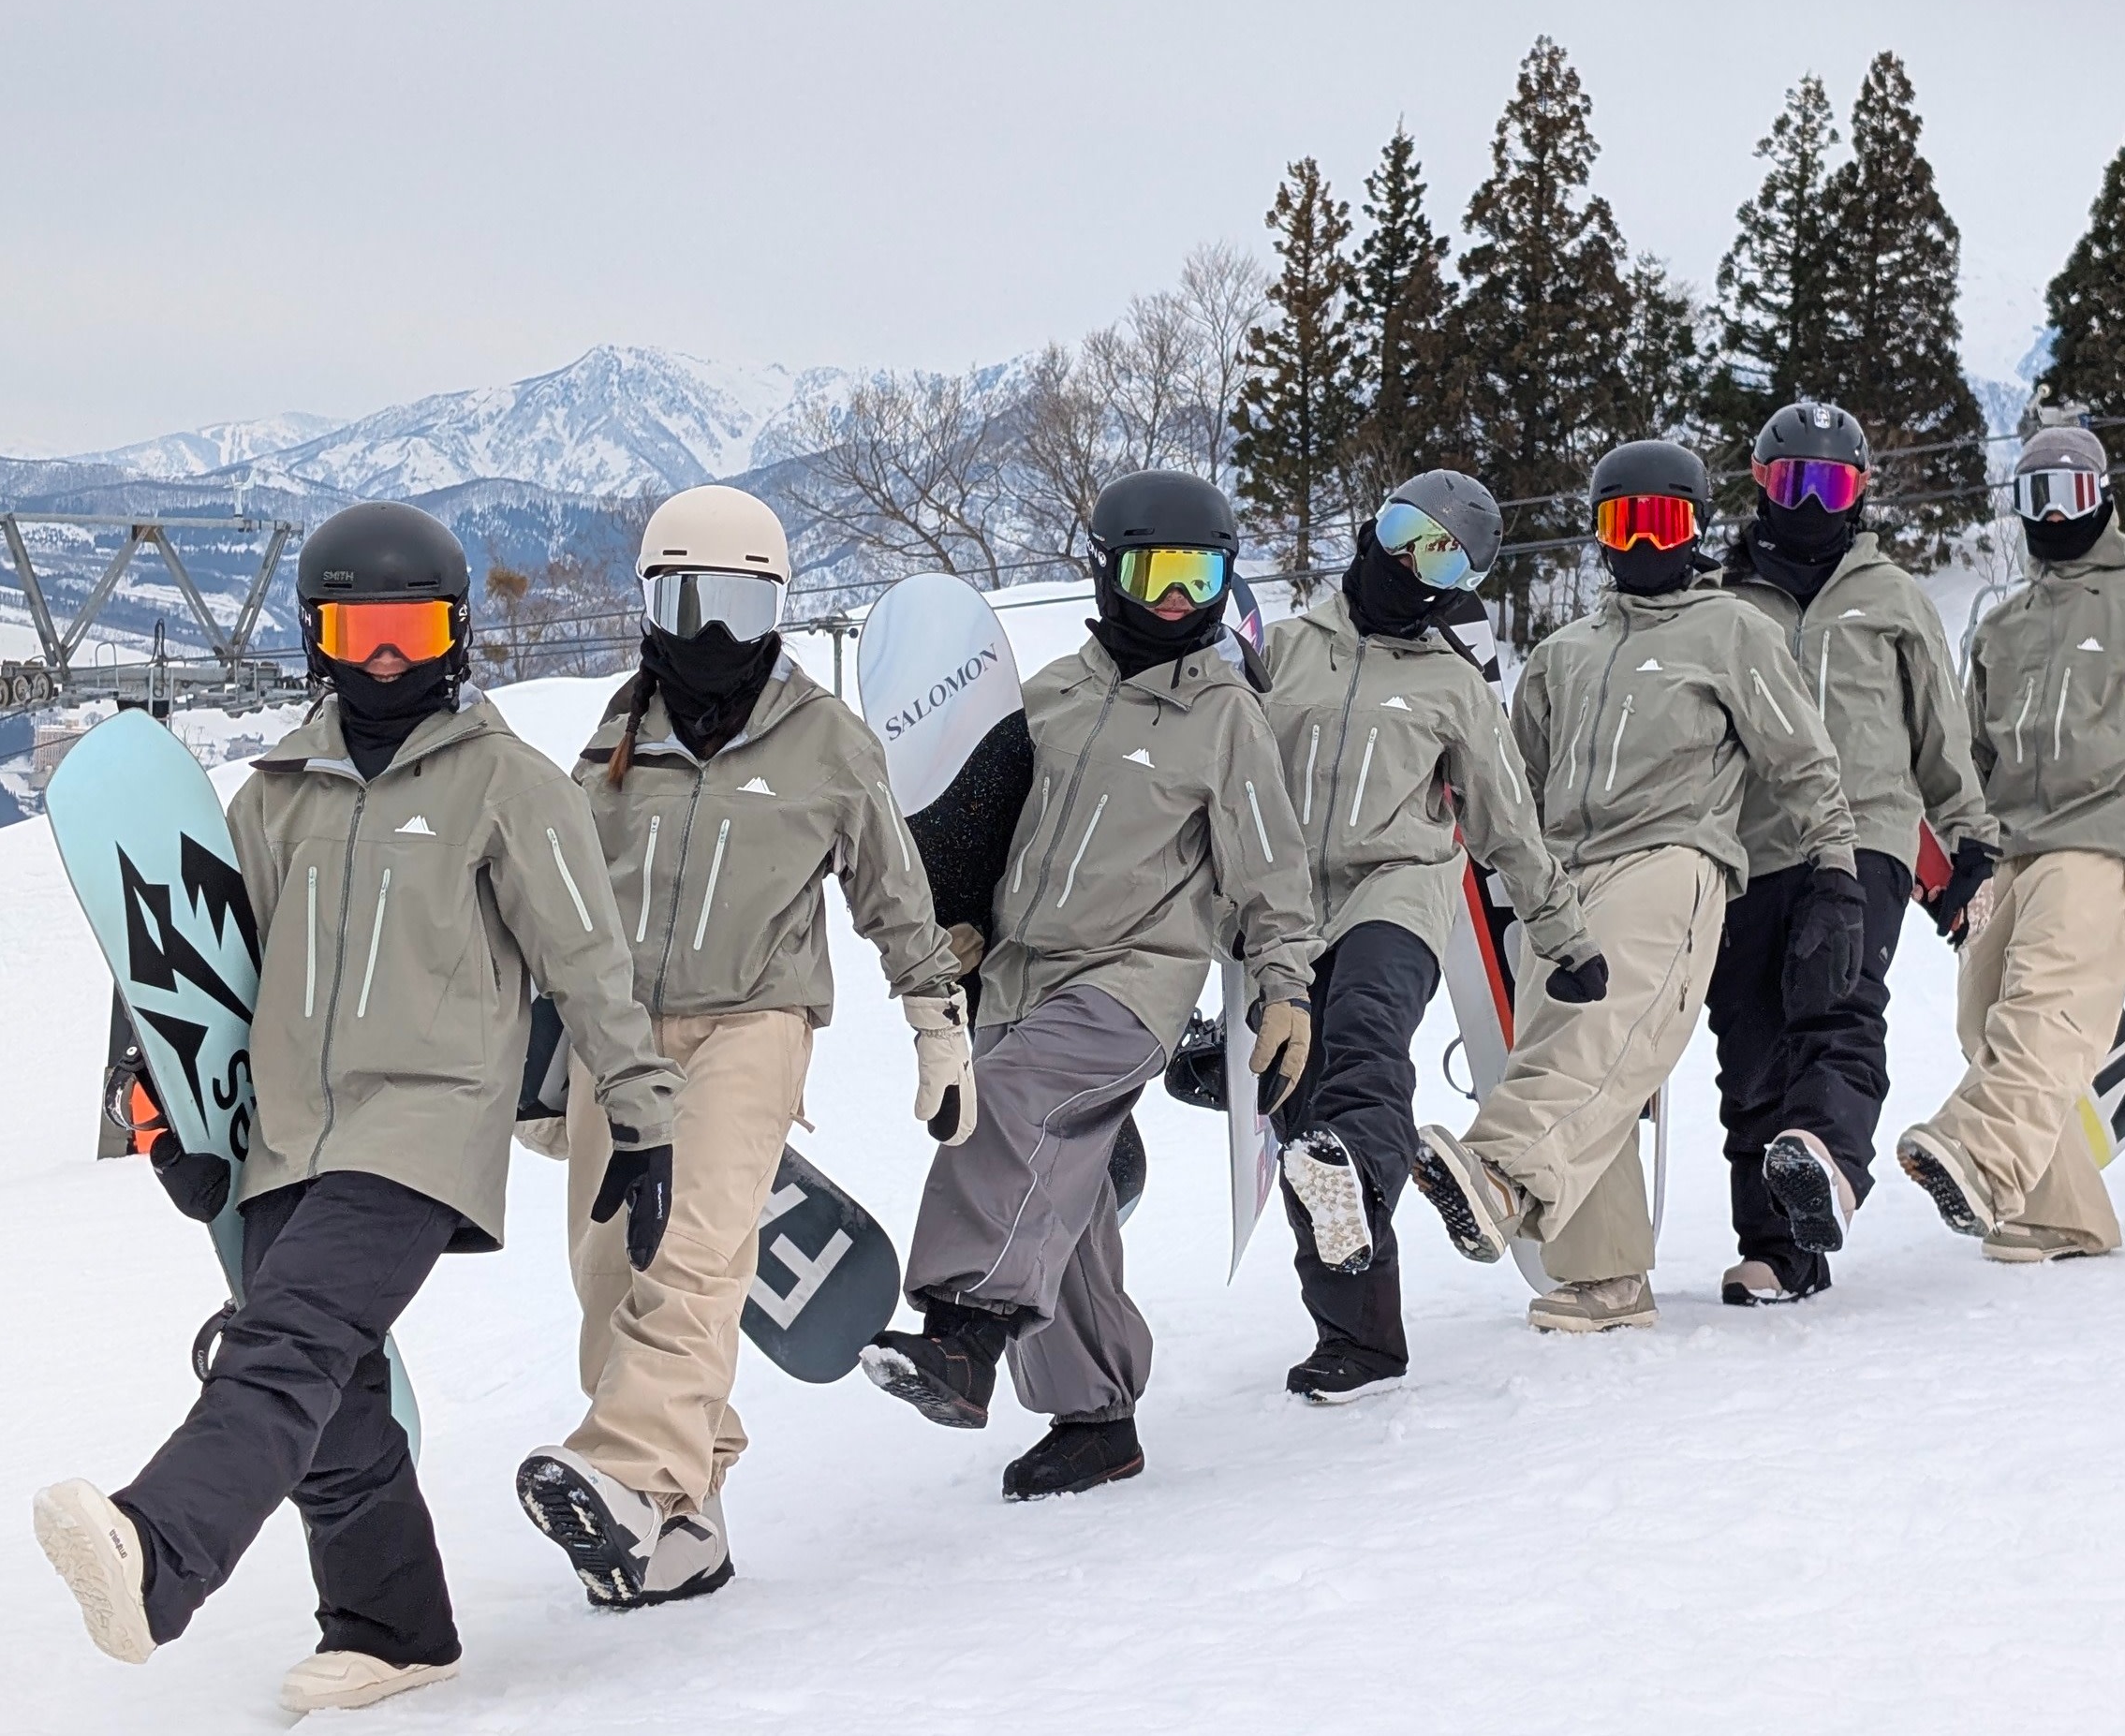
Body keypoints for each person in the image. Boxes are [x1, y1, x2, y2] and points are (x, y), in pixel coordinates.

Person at [32, 503, 680, 1714]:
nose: (388, 655)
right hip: (286, 1133)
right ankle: (393, 1626)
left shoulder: (504, 784)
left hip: (425, 1128)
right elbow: (190, 964)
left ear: (454, 635)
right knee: (336, 1393)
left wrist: (640, 1114)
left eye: (413, 627)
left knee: (282, 1347)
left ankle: (160, 1551)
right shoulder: (276, 793)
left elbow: (589, 962)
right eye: (361, 628)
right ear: (321, 636)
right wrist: (169, 1112)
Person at [513, 485, 970, 1606]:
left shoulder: (826, 742)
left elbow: (894, 897)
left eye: (740, 607)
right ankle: (680, 1522)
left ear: (776, 611)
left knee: (703, 1253)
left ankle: (622, 1471)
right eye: (689, 599)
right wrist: (539, 1056)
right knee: (612, 1273)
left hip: (754, 1024)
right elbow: (561, 908)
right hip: (616, 1037)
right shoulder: (613, 736)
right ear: (652, 600)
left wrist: (936, 1027)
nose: (714, 635)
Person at [860, 469, 1321, 1496]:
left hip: (1134, 982)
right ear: (1108, 571)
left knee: (1013, 1108)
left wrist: (1285, 987)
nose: (1177, 601)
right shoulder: (1051, 697)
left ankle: (965, 1334)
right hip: (1024, 978)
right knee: (1059, 1190)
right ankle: (1097, 1416)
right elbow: (993, 831)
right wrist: (966, 920)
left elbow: (1272, 871)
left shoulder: (1227, 716)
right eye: (1157, 573)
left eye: (1200, 576)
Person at [1413, 439, 1858, 1332]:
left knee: (1600, 1028)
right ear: (1600, 533)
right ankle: (1605, 1275)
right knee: (1570, 1052)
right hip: (1566, 874)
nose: (1646, 542)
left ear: (1696, 529)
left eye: (1666, 522)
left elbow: (1803, 761)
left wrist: (1835, 871)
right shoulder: (1563, 652)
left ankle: (1499, 1171)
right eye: (1626, 522)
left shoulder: (1732, 631)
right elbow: (1518, 778)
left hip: (1673, 857)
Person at [1258, 470, 1601, 1401]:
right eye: (1410, 533)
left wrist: (1563, 936)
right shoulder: (1281, 652)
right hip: (1284, 912)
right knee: (1298, 1105)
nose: (1418, 562)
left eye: (1446, 553)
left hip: (1397, 891)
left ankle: (1357, 1183)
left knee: (1367, 1041)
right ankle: (1362, 1341)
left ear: (1464, 579)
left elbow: (1505, 822)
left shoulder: (1453, 683)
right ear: (1374, 529)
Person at [1894, 427, 2125, 1261]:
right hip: (2010, 848)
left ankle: (1980, 1152)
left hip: (2097, 843)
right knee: (1982, 1015)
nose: (2056, 516)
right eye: (2037, 498)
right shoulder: (2003, 625)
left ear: (2103, 497)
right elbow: (1971, 756)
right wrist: (1956, 858)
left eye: (2072, 496)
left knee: (2042, 1002)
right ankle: (2065, 1214)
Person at [1710, 402, 1998, 1304]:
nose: (1809, 500)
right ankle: (1780, 1246)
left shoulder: (1893, 598)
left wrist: (1969, 842)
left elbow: (1939, 734)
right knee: (1751, 1041)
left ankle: (1826, 1161)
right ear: (1761, 485)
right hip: (1751, 844)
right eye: (1791, 481)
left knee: (1834, 1001)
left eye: (1829, 484)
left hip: (1868, 832)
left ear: (1859, 492)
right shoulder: (1721, 603)